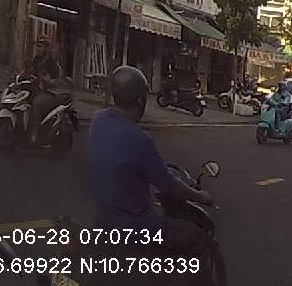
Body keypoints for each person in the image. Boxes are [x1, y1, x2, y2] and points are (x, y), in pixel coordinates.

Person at [86, 65, 213, 253]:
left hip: (104, 218)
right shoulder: (139, 139)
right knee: (197, 234)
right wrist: (200, 196)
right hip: (138, 228)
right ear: (141, 100)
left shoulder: (98, 119)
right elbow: (170, 186)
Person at [25, 38, 66, 144]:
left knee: (36, 103)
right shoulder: (36, 59)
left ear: (46, 48)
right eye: (37, 46)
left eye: (40, 46)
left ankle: (35, 132)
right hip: (37, 89)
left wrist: (49, 81)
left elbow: (58, 82)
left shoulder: (52, 63)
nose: (37, 48)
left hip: (50, 93)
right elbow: (30, 71)